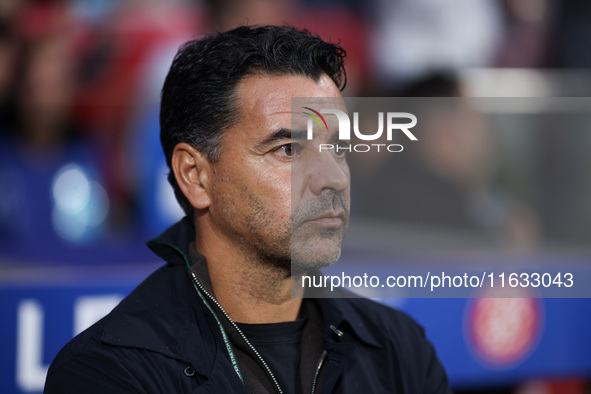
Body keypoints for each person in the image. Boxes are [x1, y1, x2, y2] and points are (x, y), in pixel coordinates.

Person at [44, 25, 452, 393]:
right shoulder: (109, 373)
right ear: (196, 176)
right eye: (289, 149)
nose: (334, 177)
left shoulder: (398, 347)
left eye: (339, 148)